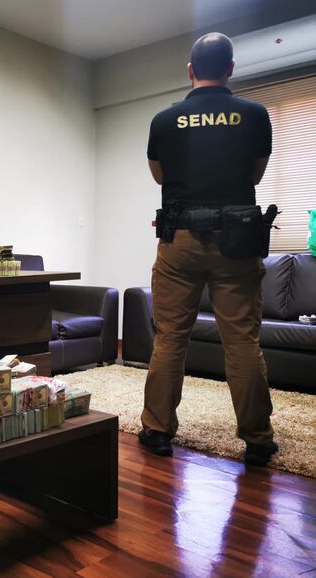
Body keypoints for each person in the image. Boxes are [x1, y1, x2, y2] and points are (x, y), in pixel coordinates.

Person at [138, 32, 278, 466]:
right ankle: (257, 439)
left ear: (190, 70)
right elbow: (255, 175)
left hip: (179, 240)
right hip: (237, 241)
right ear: (230, 68)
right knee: (242, 341)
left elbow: (160, 177)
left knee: (170, 339)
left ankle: (157, 431)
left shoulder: (164, 120)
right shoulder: (254, 115)